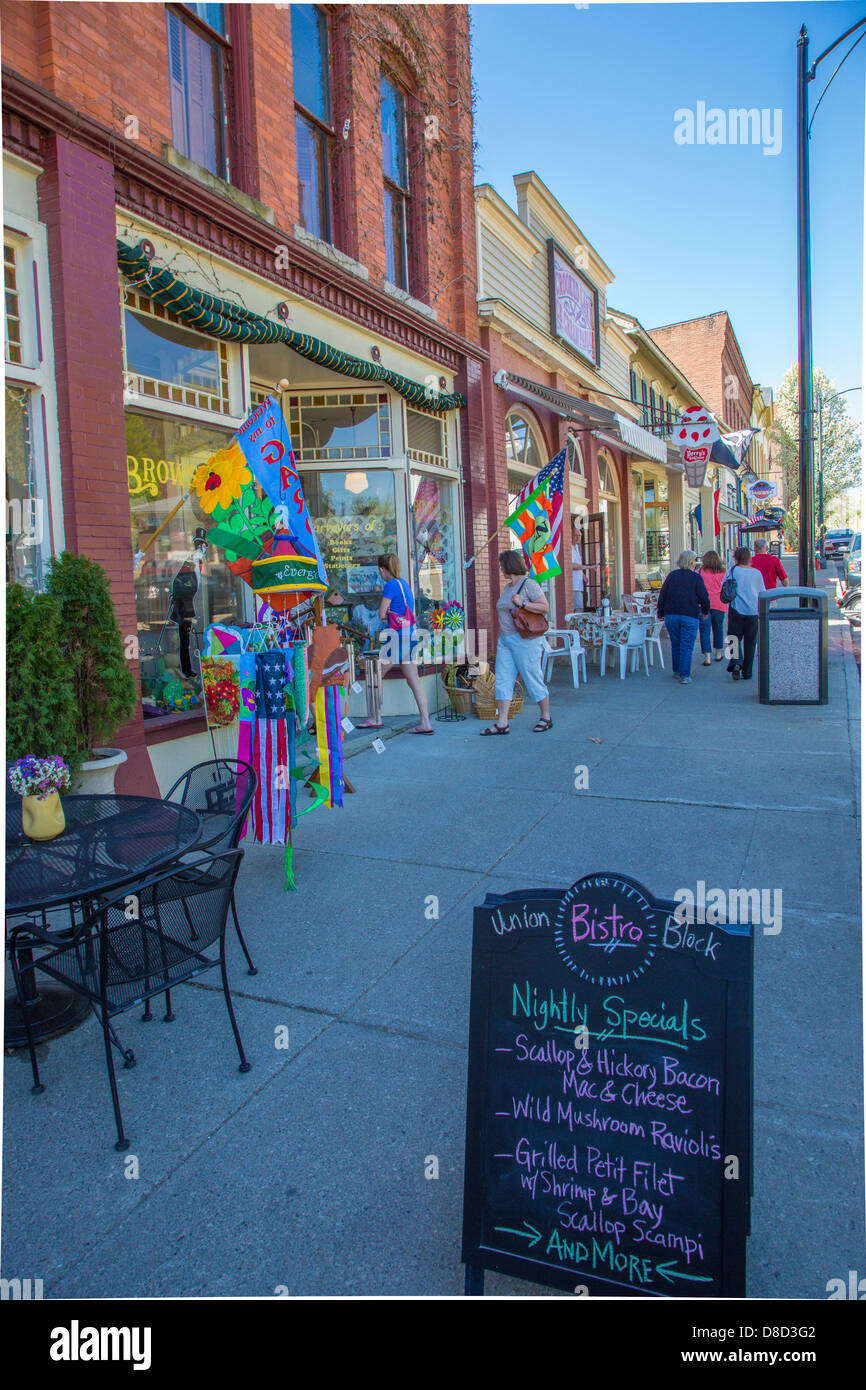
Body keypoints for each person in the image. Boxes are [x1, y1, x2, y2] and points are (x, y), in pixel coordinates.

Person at [359, 553, 433, 734]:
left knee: (375, 676)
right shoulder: (404, 584)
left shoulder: (390, 585)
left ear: (382, 570)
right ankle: (425, 722)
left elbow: (381, 614)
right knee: (414, 680)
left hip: (398, 639)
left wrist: (389, 610)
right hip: (411, 636)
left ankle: (375, 717)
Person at [481, 550, 551, 735]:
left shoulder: (529, 584)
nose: (500, 568)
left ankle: (546, 716)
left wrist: (523, 604)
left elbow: (545, 607)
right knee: (503, 679)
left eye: (502, 565)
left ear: (509, 565)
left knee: (531, 676)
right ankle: (502, 723)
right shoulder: (507, 587)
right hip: (505, 640)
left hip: (525, 640)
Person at [656, 550, 710, 685]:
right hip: (689, 614)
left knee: (676, 643)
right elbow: (704, 597)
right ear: (691, 562)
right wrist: (705, 611)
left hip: (671, 615)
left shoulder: (672, 576)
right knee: (686, 645)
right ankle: (685, 675)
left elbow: (663, 595)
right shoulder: (696, 577)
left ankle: (677, 671)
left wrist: (660, 613)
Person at [725, 546, 765, 681]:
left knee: (734, 638)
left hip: (736, 609)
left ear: (736, 557)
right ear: (749, 558)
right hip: (753, 610)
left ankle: (736, 663)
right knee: (750, 641)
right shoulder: (757, 573)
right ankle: (747, 672)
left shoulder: (732, 571)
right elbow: (762, 592)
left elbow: (724, 587)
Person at [697, 550, 728, 665]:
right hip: (719, 604)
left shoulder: (699, 572)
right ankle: (718, 653)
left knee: (704, 631)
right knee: (718, 629)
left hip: (703, 605)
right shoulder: (723, 573)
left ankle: (707, 657)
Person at [570, 518, 586, 612]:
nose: (578, 538)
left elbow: (578, 564)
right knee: (577, 609)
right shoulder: (570, 548)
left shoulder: (577, 547)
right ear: (571, 536)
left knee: (579, 608)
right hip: (572, 585)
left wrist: (583, 575)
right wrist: (588, 567)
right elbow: (572, 565)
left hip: (578, 584)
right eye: (576, 535)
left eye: (579, 536)